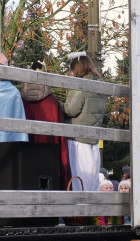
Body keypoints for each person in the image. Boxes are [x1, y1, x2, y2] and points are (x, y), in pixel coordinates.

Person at [20, 72, 71, 191]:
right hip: (49, 156)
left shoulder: (19, 100)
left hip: (26, 155)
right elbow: (60, 136)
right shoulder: (52, 102)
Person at [64, 51, 106, 192]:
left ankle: (79, 213)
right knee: (92, 179)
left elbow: (71, 110)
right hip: (92, 139)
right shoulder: (99, 85)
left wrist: (61, 106)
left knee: (78, 178)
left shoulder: (81, 84)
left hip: (78, 138)